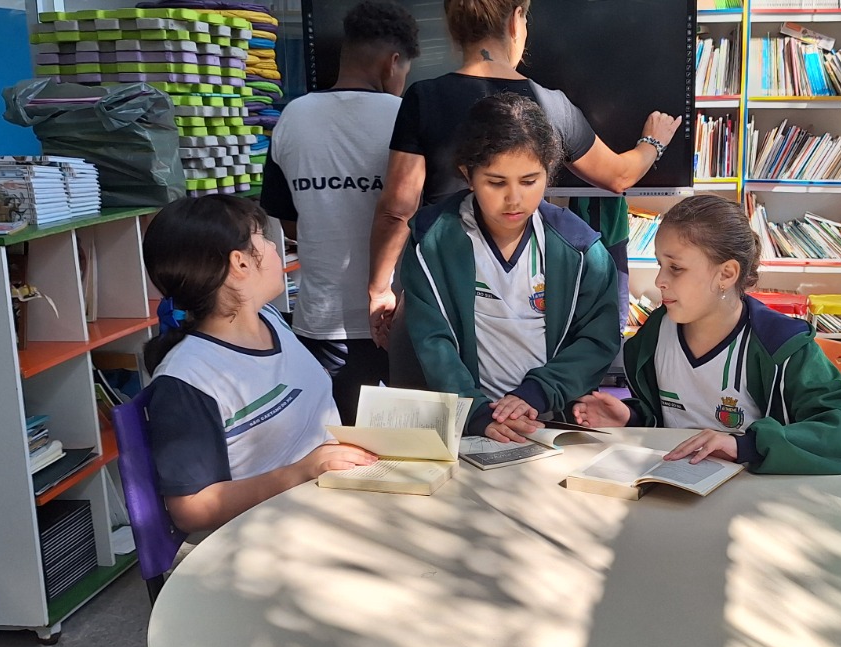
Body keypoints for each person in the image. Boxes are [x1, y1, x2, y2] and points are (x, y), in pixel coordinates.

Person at [368, 0, 683, 347]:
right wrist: (653, 142)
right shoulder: (550, 105)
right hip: (522, 290)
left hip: (444, 281)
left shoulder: (423, 98)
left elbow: (398, 208)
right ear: (517, 21)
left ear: (452, 27)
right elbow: (619, 176)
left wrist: (380, 290)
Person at [571, 195, 841, 475]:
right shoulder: (655, 334)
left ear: (726, 275)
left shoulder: (781, 344)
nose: (660, 280)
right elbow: (665, 418)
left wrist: (744, 446)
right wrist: (631, 417)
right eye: (661, 265)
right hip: (675, 482)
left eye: (676, 268)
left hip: (755, 493)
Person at [141, 196, 377, 533]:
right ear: (239, 263)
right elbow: (191, 509)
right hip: (270, 535)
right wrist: (300, 472)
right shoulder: (187, 379)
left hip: (331, 505)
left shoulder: (271, 319)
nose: (275, 247)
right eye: (262, 237)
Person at [400, 93, 621, 443]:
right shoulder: (431, 243)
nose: (514, 198)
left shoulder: (580, 250)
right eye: (496, 182)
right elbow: (432, 341)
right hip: (470, 425)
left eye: (530, 181)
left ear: (548, 171)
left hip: (551, 422)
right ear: (468, 175)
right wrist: (475, 412)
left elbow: (597, 340)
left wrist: (537, 393)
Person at [259, 0, 419, 422]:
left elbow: (289, 221)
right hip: (399, 318)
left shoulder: (292, 117)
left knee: (338, 442)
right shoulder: (406, 117)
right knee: (410, 442)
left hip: (321, 323)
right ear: (393, 62)